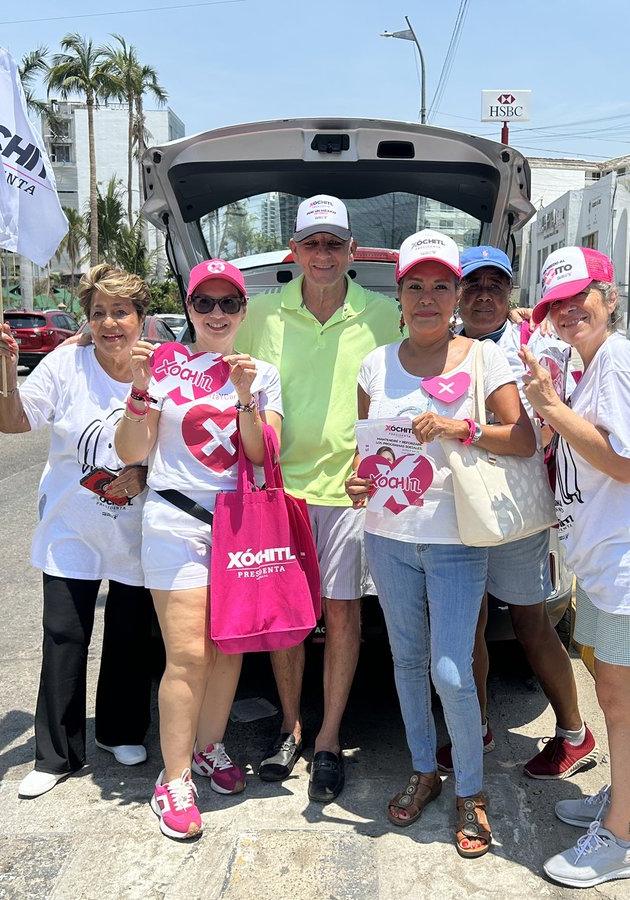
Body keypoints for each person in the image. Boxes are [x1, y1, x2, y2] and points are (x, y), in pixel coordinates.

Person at [346, 230, 537, 859]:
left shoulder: (485, 359)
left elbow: (521, 439)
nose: (427, 298)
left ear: (457, 293)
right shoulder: (376, 364)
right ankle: (425, 769)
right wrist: (356, 481)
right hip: (389, 534)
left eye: (440, 286)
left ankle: (471, 790)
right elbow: (366, 455)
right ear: (397, 293)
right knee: (404, 662)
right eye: (414, 286)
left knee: (452, 670)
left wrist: (461, 426)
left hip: (458, 537)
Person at [520, 247, 630, 888]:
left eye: (581, 297)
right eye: (556, 305)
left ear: (610, 294)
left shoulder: (619, 361)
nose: (570, 312)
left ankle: (621, 840)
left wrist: (551, 408)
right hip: (610, 562)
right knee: (616, 694)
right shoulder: (587, 363)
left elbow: (623, 463)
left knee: (626, 705)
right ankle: (629, 802)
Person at [235, 195, 399, 803]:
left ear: (351, 251)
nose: (323, 255)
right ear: (295, 252)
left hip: (353, 491)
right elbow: (205, 361)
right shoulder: (258, 314)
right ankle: (290, 724)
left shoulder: (385, 313)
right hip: (277, 489)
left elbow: (436, 358)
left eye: (334, 244)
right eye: (312, 244)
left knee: (343, 613)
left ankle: (327, 735)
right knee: (286, 618)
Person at [114, 259, 283, 840]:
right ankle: (175, 777)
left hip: (238, 527)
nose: (216, 313)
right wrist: (138, 392)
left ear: (243, 310)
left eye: (228, 303)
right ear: (188, 307)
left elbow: (262, 455)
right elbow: (131, 449)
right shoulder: (161, 364)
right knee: (187, 654)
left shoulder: (260, 374)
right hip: (174, 521)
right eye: (204, 303)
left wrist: (243, 398)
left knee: (229, 647)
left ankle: (210, 746)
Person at [0, 263, 163, 800]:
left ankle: (119, 730)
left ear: (141, 318)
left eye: (121, 312)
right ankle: (57, 752)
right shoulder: (67, 363)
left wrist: (144, 473)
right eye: (99, 313)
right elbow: (14, 422)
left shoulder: (162, 367)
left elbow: (181, 446)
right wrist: (9, 370)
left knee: (132, 639)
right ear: (87, 320)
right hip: (71, 527)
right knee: (64, 635)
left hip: (138, 530)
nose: (111, 324)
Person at [437, 245, 597, 781]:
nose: (485, 294)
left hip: (519, 505)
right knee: (472, 623)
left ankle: (574, 732)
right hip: (462, 503)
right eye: (473, 284)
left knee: (530, 620)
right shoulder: (443, 345)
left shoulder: (540, 344)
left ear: (512, 294)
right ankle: (475, 725)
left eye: (496, 285)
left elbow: (566, 417)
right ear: (458, 294)